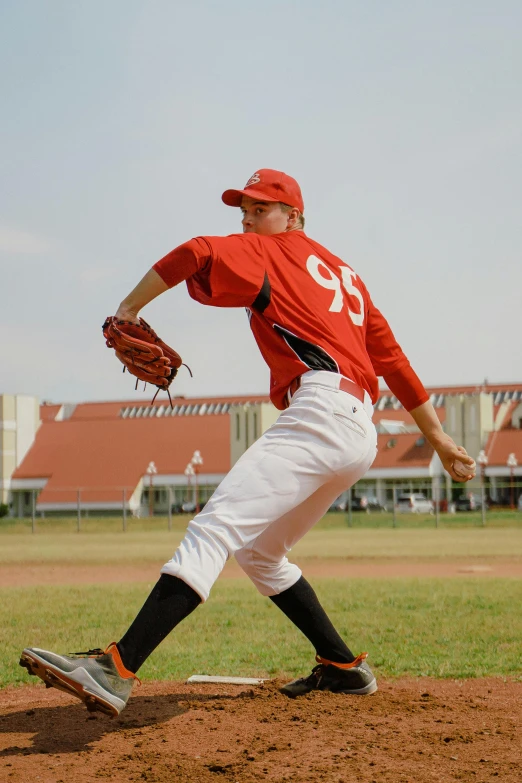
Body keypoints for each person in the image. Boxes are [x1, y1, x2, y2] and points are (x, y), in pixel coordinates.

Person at [20, 169, 475, 716]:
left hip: (321, 410)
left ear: (294, 217)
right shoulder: (346, 275)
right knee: (260, 553)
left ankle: (115, 668)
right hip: (357, 429)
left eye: (262, 208)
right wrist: (441, 438)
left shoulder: (270, 253)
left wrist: (127, 310)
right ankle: (343, 667)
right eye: (245, 210)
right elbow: (391, 360)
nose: (249, 219)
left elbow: (194, 251)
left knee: (213, 529)